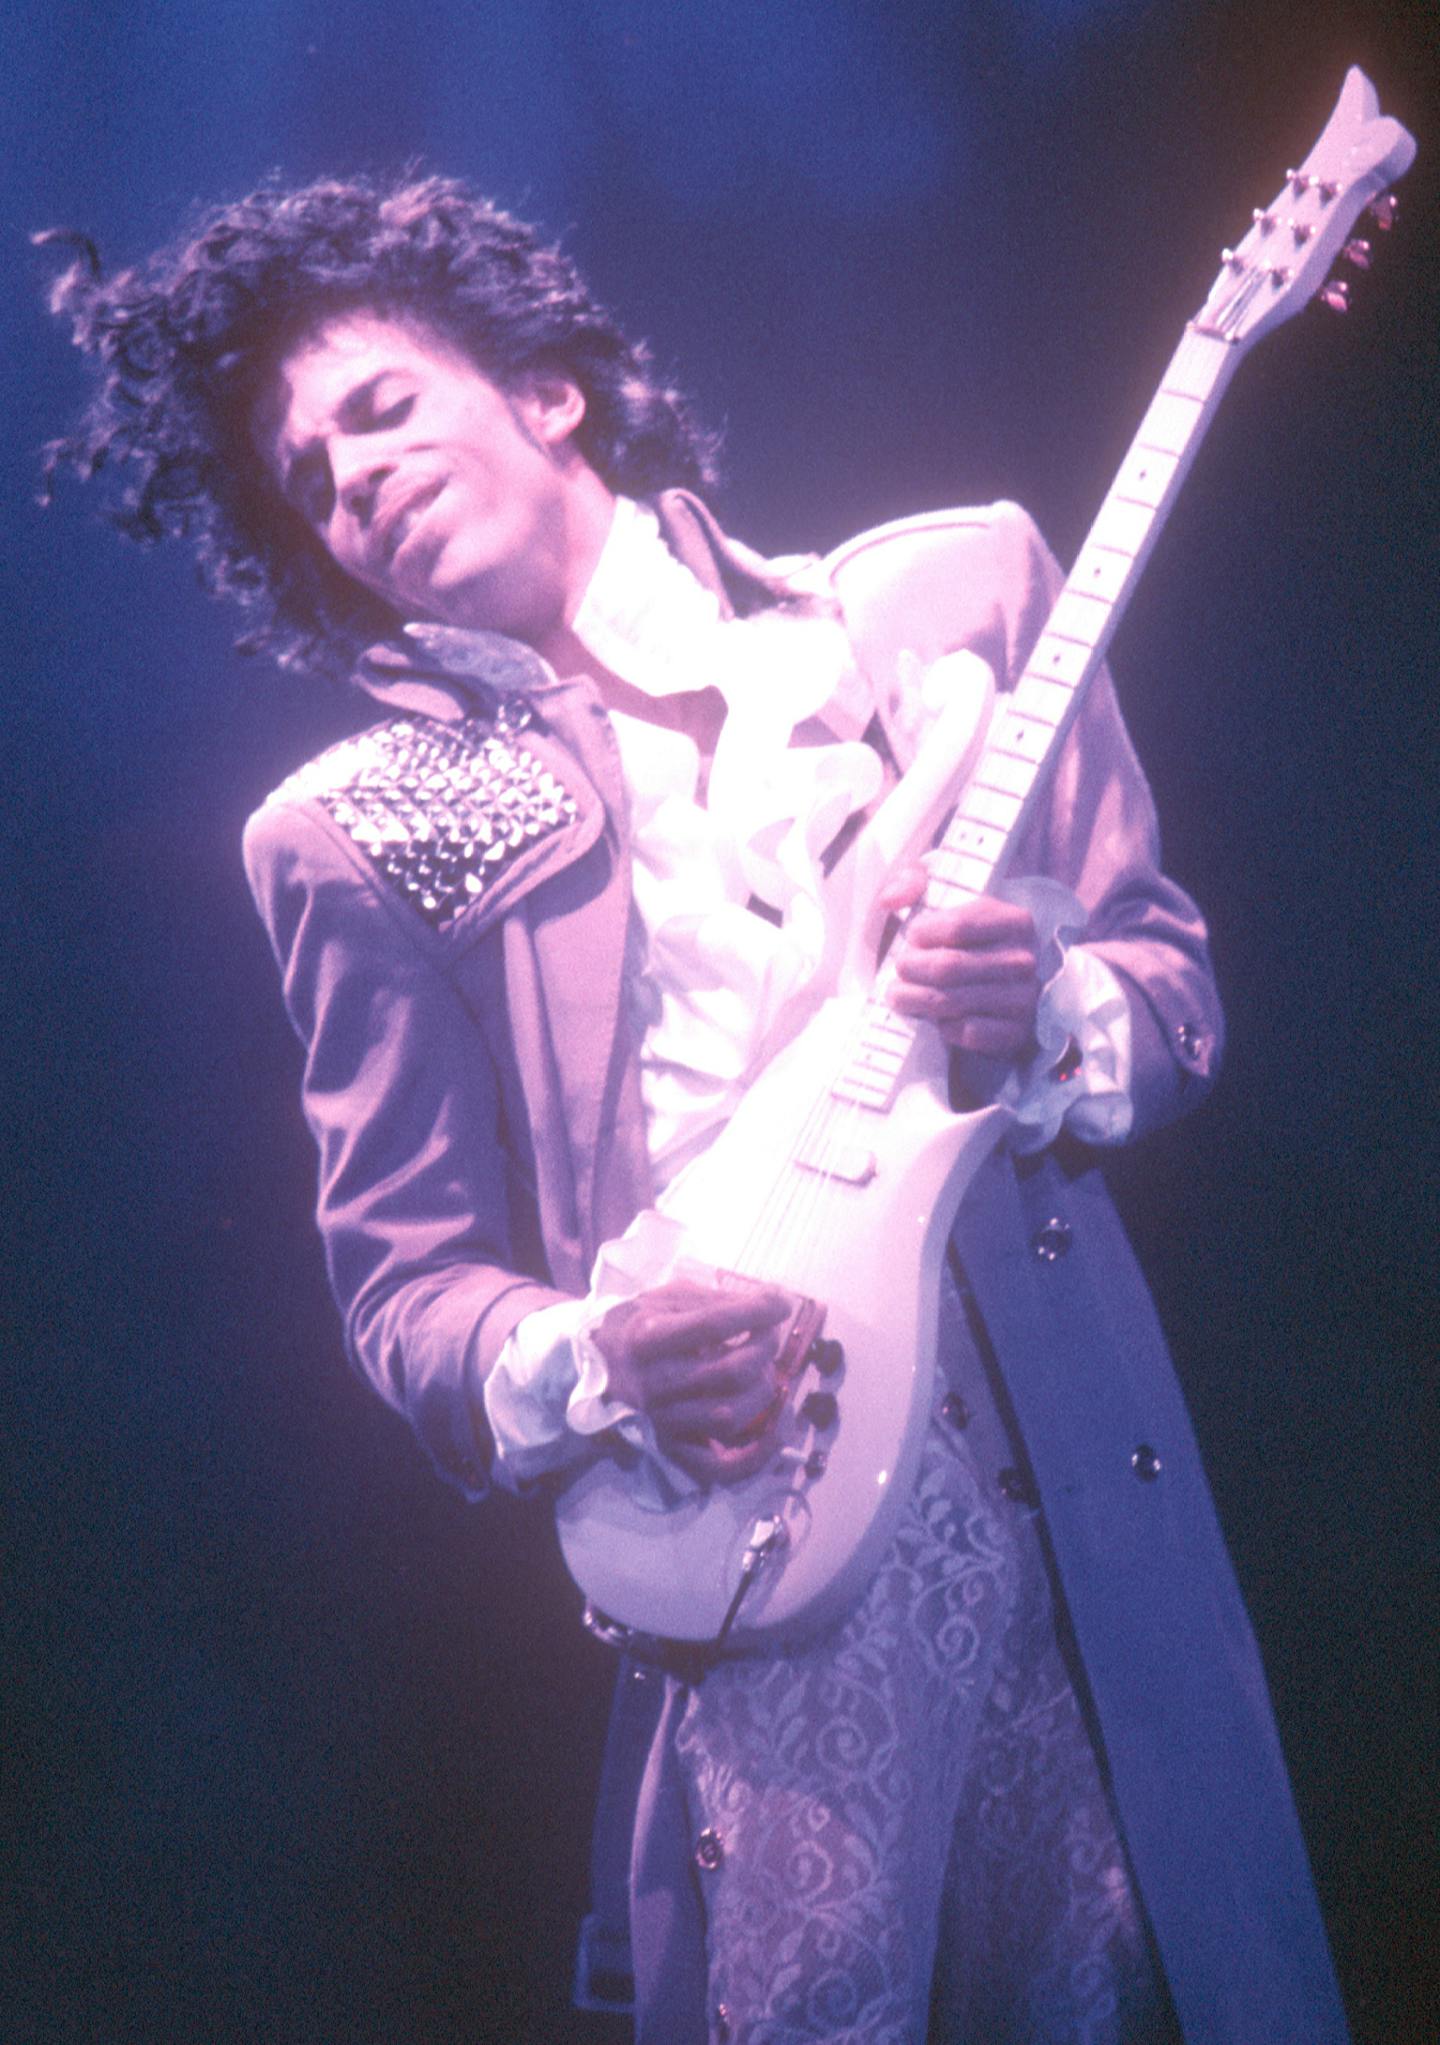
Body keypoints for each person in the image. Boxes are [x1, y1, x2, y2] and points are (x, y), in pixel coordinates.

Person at [41, 173, 1350, 2043]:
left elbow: (1170, 991)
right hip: (761, 1508)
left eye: (382, 411)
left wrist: (1046, 998)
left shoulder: (945, 603)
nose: (357, 486)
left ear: (545, 392)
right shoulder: (352, 831)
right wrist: (606, 1359)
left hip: (1070, 1465)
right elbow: (409, 1297)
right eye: (314, 486)